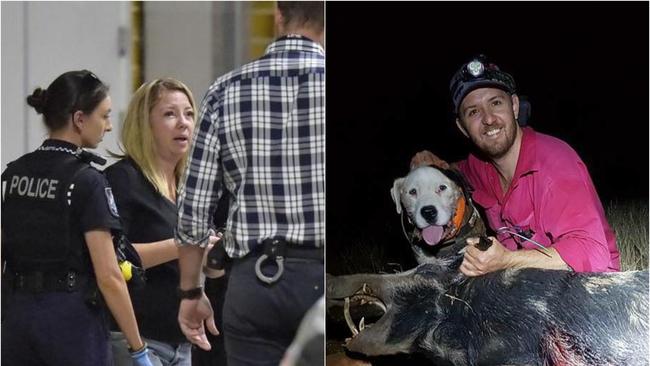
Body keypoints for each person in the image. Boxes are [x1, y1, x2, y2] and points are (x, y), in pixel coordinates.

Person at [175, 2, 325, 365]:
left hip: (256, 283)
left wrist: (192, 291)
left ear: (278, 15)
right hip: (323, 282)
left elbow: (193, 212)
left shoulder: (225, 90)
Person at [411, 55, 620, 276]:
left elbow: (594, 253)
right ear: (462, 128)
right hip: (531, 281)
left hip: (590, 284)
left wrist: (508, 260)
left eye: (496, 103)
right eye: (473, 112)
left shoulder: (555, 162)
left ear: (514, 106)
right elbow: (456, 171)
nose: (489, 119)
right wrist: (433, 164)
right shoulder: (480, 166)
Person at [1, 70, 153, 366]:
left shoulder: (14, 174)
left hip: (17, 317)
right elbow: (109, 276)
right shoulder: (87, 181)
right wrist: (138, 348)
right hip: (70, 321)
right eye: (105, 116)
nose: (109, 126)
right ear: (79, 119)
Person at [104, 78, 222, 366]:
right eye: (170, 114)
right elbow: (111, 259)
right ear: (145, 124)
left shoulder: (192, 187)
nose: (183, 123)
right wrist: (184, 245)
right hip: (137, 340)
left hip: (182, 342)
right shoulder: (123, 179)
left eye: (189, 114)